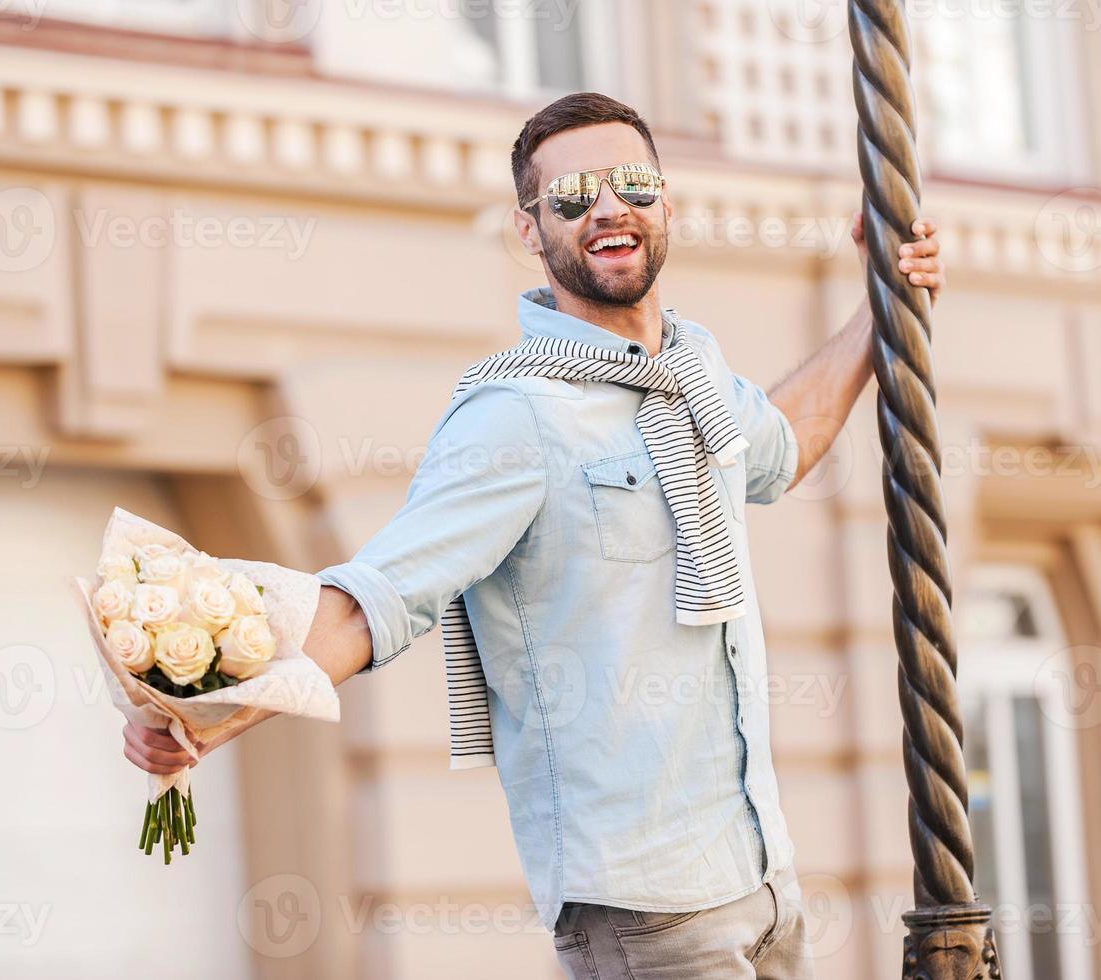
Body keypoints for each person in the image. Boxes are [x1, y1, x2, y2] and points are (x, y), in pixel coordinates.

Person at [122, 91, 945, 979]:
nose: (605, 208)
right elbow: (378, 600)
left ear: (666, 203)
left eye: (631, 183)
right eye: (571, 195)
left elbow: (780, 447)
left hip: (761, 876)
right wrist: (204, 712)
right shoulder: (512, 417)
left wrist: (879, 308)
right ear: (531, 230)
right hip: (644, 911)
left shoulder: (691, 374)